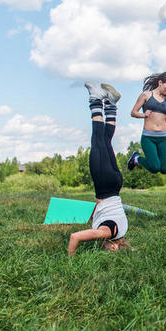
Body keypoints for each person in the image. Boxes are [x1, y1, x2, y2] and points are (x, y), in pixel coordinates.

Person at [69, 82, 129, 256]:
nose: (105, 248)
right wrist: (70, 262)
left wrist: (92, 215)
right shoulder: (106, 233)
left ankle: (111, 105)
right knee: (97, 141)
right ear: (114, 246)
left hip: (116, 185)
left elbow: (103, 210)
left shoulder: (122, 230)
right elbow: (75, 237)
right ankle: (95, 99)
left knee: (105, 142)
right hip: (104, 186)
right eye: (109, 250)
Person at [127, 72, 166, 173]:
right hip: (148, 138)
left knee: (164, 169)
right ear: (160, 82)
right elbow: (133, 112)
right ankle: (136, 158)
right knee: (155, 168)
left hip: (163, 138)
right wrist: (143, 115)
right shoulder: (146, 95)